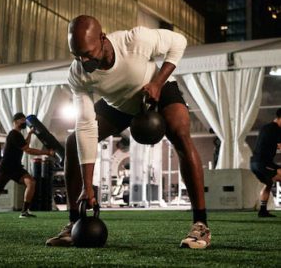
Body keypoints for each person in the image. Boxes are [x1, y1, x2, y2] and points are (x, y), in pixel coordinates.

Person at [46, 15, 211, 249]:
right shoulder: (78, 73)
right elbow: (86, 125)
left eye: (88, 53)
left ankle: (200, 225)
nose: (83, 60)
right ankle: (74, 224)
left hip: (156, 89)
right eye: (77, 55)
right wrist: (87, 185)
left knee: (179, 131)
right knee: (73, 142)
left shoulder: (135, 40)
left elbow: (178, 42)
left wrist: (157, 83)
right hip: (118, 104)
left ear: (102, 39)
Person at [250, 108, 281, 217]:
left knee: (269, 183)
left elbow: (274, 145)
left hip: (255, 163)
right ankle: (262, 210)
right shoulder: (276, 129)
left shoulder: (266, 128)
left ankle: (262, 210)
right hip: (262, 163)